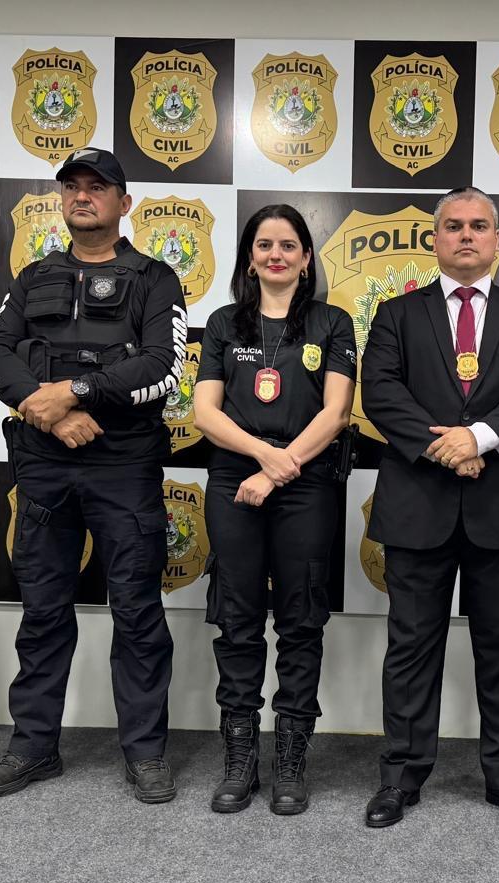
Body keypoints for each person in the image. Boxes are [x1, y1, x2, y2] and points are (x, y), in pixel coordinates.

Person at [0, 147, 187, 804]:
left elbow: (164, 368)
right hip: (45, 461)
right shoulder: (34, 274)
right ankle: (33, 746)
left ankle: (145, 751)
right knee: (42, 610)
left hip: (124, 465)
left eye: (97, 186)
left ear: (124, 202)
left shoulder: (155, 278)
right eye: (72, 187)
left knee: (137, 612)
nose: (82, 196)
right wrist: (50, 413)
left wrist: (75, 391)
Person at [360, 186, 499, 831]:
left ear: (497, 240)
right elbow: (381, 394)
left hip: (498, 507)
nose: (466, 235)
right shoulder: (396, 315)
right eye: (453, 226)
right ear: (435, 239)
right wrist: (445, 449)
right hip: (418, 505)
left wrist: (477, 438)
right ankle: (399, 778)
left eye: (479, 226)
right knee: (411, 649)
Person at [192, 204, 356, 815]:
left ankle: (290, 760)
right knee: (237, 621)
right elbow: (204, 414)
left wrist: (281, 468)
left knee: (301, 621)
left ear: (307, 258)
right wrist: (265, 459)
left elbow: (336, 413)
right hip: (236, 479)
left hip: (308, 483)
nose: (276, 255)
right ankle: (240, 761)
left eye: (289, 245)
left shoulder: (332, 322)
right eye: (264, 245)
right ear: (249, 258)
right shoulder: (223, 323)